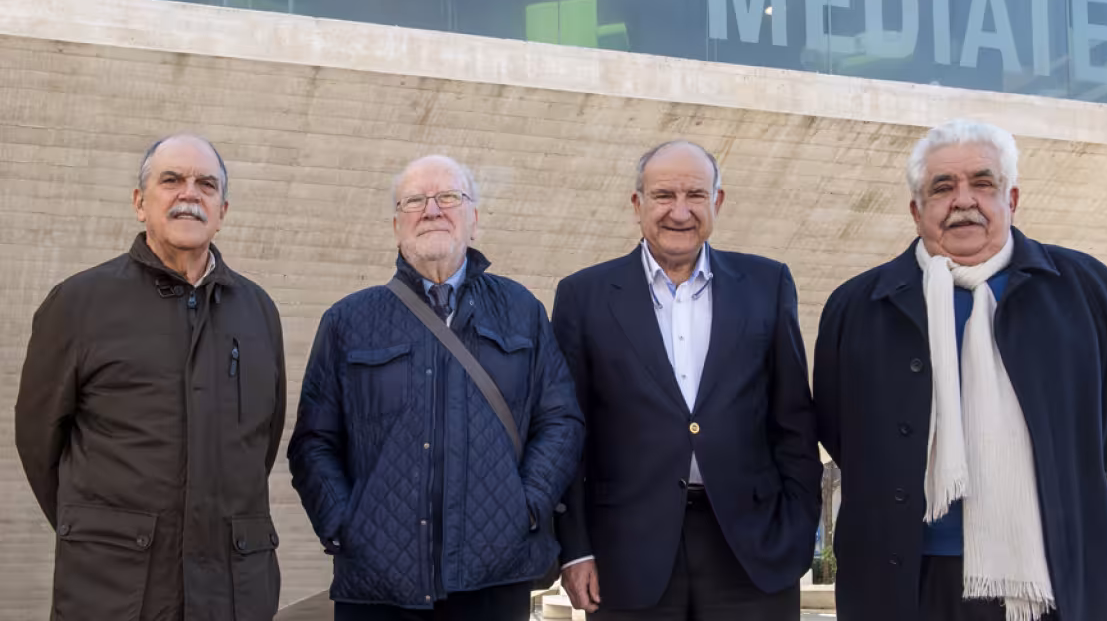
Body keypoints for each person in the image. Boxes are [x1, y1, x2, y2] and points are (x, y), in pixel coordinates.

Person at [813, 119, 1107, 621]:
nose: (963, 200)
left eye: (983, 183)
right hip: (906, 579)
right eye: (942, 187)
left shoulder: (1085, 289)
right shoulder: (859, 305)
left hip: (1045, 577)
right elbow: (839, 429)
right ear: (916, 209)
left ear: (1011, 200)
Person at [288, 154, 584, 620]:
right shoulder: (348, 321)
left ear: (474, 220)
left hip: (494, 577)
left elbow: (561, 421)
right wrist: (346, 526)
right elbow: (313, 444)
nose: (432, 210)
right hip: (378, 587)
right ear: (396, 224)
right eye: (415, 201)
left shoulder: (520, 310)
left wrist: (524, 507)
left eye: (448, 197)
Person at [16, 133, 288, 621]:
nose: (190, 193)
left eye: (206, 184)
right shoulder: (79, 303)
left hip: (232, 594)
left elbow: (261, 444)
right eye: (172, 180)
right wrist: (105, 532)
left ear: (222, 210)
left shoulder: (259, 311)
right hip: (113, 593)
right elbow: (40, 444)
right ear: (141, 203)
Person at [552, 140, 822, 620]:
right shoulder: (583, 296)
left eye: (695, 195)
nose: (680, 211)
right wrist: (575, 549)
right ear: (638, 205)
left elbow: (794, 422)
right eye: (663, 196)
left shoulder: (768, 284)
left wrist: (799, 529)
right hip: (626, 556)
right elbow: (568, 435)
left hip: (753, 551)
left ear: (716, 202)